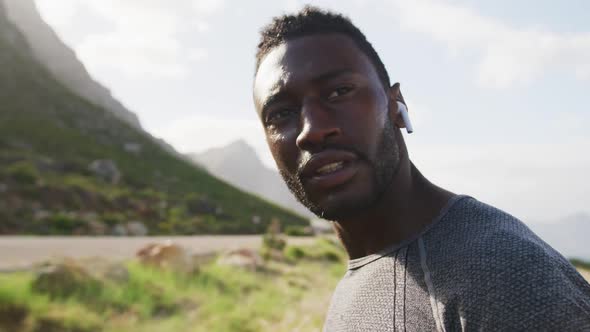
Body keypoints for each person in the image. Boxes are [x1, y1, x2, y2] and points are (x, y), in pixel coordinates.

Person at [252, 6, 590, 332]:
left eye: (339, 92)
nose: (311, 130)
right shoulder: (367, 270)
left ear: (396, 106)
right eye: (280, 114)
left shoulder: (503, 273)